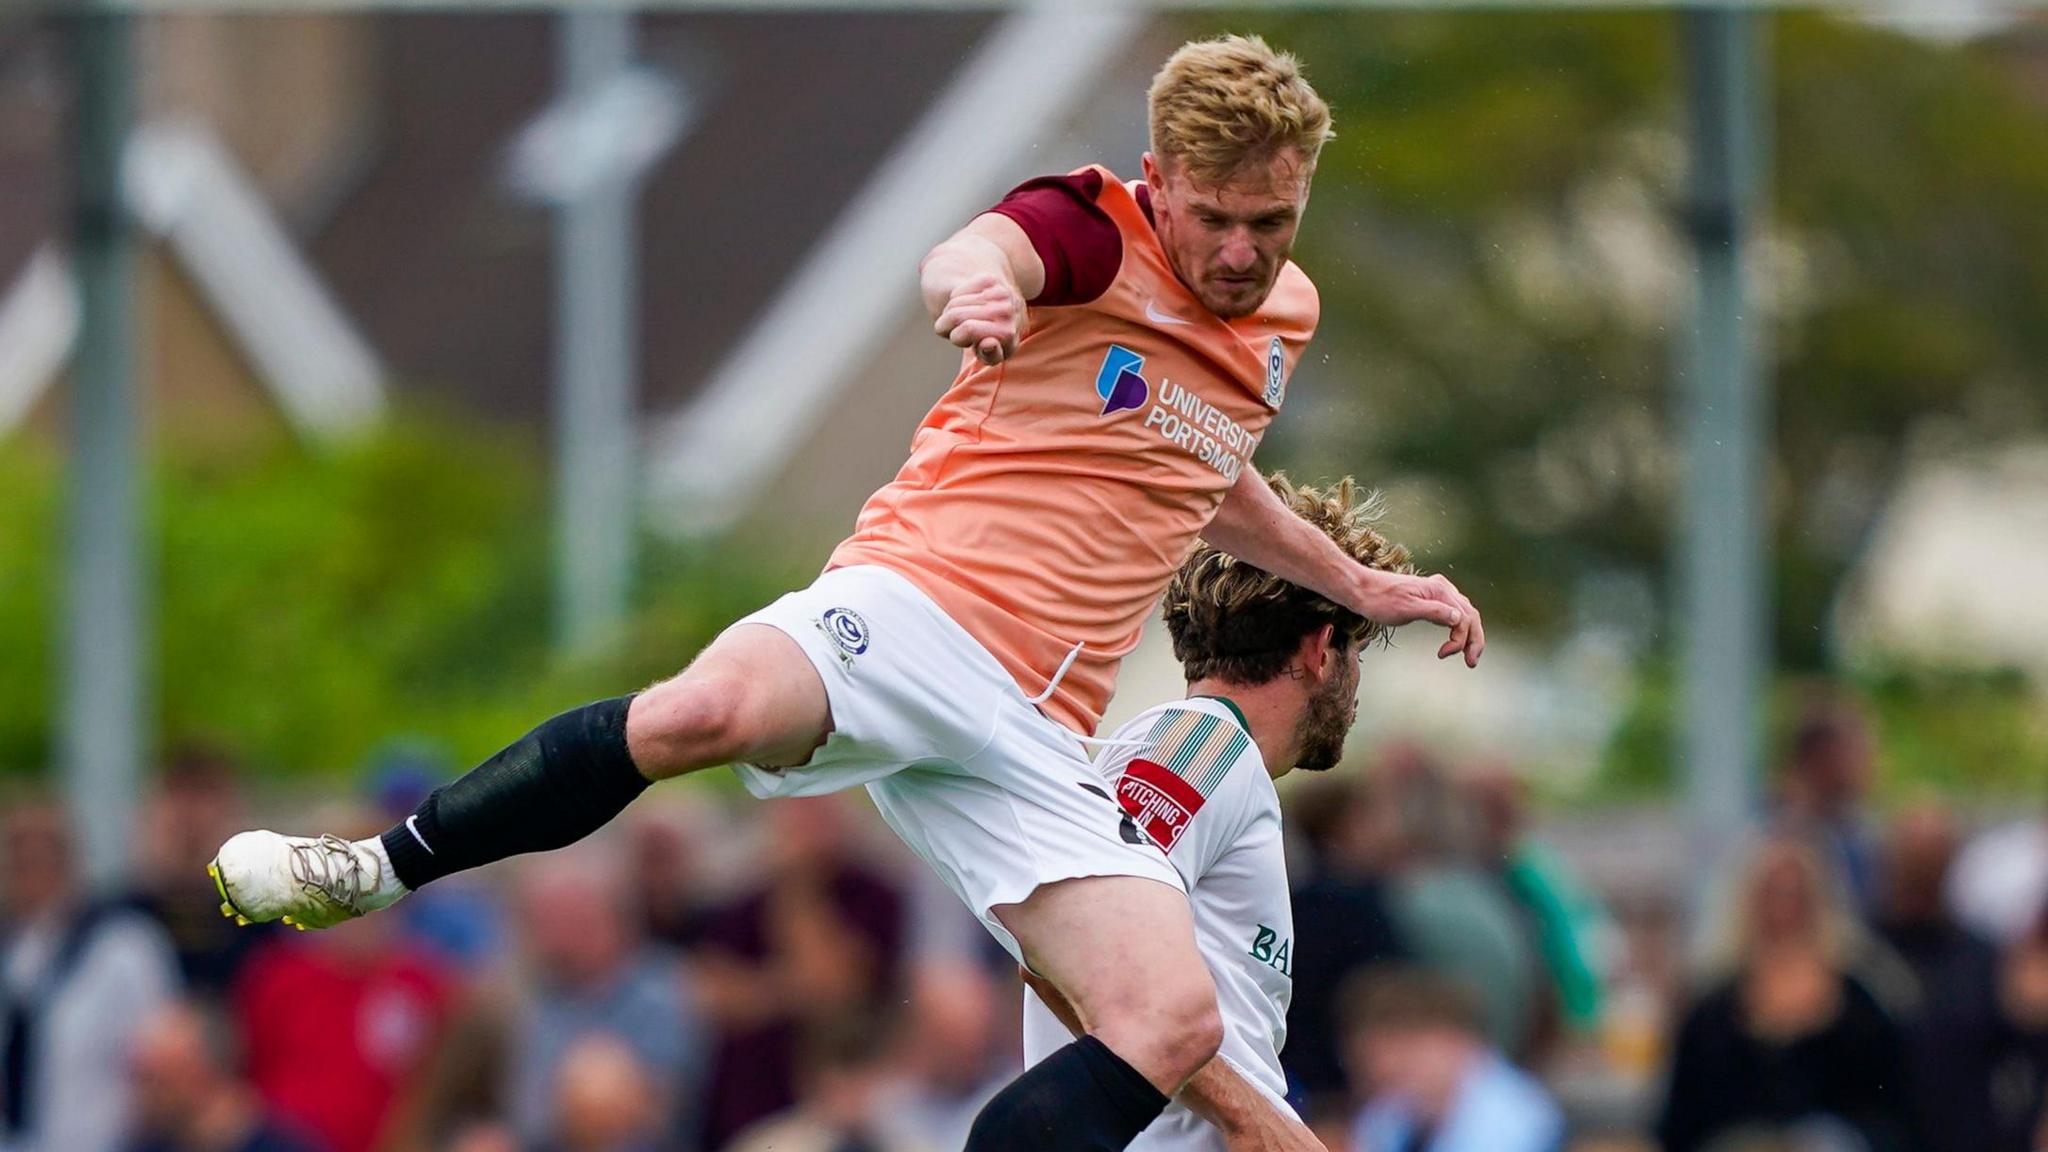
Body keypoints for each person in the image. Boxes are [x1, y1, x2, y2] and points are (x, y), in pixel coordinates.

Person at [212, 35, 1484, 1152]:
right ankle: (374, 868)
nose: (1239, 251)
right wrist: (972, 285)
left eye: (1271, 223)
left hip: (1042, 729)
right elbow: (974, 251)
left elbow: (1205, 463)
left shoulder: (1281, 318)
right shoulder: (1091, 227)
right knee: (696, 717)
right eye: (1213, 217)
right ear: (1158, 180)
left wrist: (1354, 577)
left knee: (1167, 1020)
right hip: (915, 611)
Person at [1022, 474, 1407, 1150]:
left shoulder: (1204, 753)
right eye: (1356, 650)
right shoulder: (1200, 747)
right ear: (1321, 649)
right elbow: (1065, 945)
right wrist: (1251, 1117)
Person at [1654, 835, 1919, 1152]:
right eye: (1772, 894)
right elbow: (1682, 1119)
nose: (1783, 908)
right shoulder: (1712, 1008)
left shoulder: (1861, 1002)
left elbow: (1894, 1108)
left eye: (1795, 896)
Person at [1, 799, 180, 1152]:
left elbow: (162, 1059)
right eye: (20, 860)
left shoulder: (125, 946)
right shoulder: (13, 948)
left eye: (45, 858)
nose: (33, 874)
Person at [1342, 970, 1565, 1152]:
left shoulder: (1518, 1118)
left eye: (1410, 1051)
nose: (1388, 1066)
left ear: (1461, 1041)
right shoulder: (1385, 1114)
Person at [123, 1001, 319, 1152]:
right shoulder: (147, 1145)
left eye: (156, 1080)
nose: (143, 1095)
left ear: (200, 1076)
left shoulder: (285, 1146)